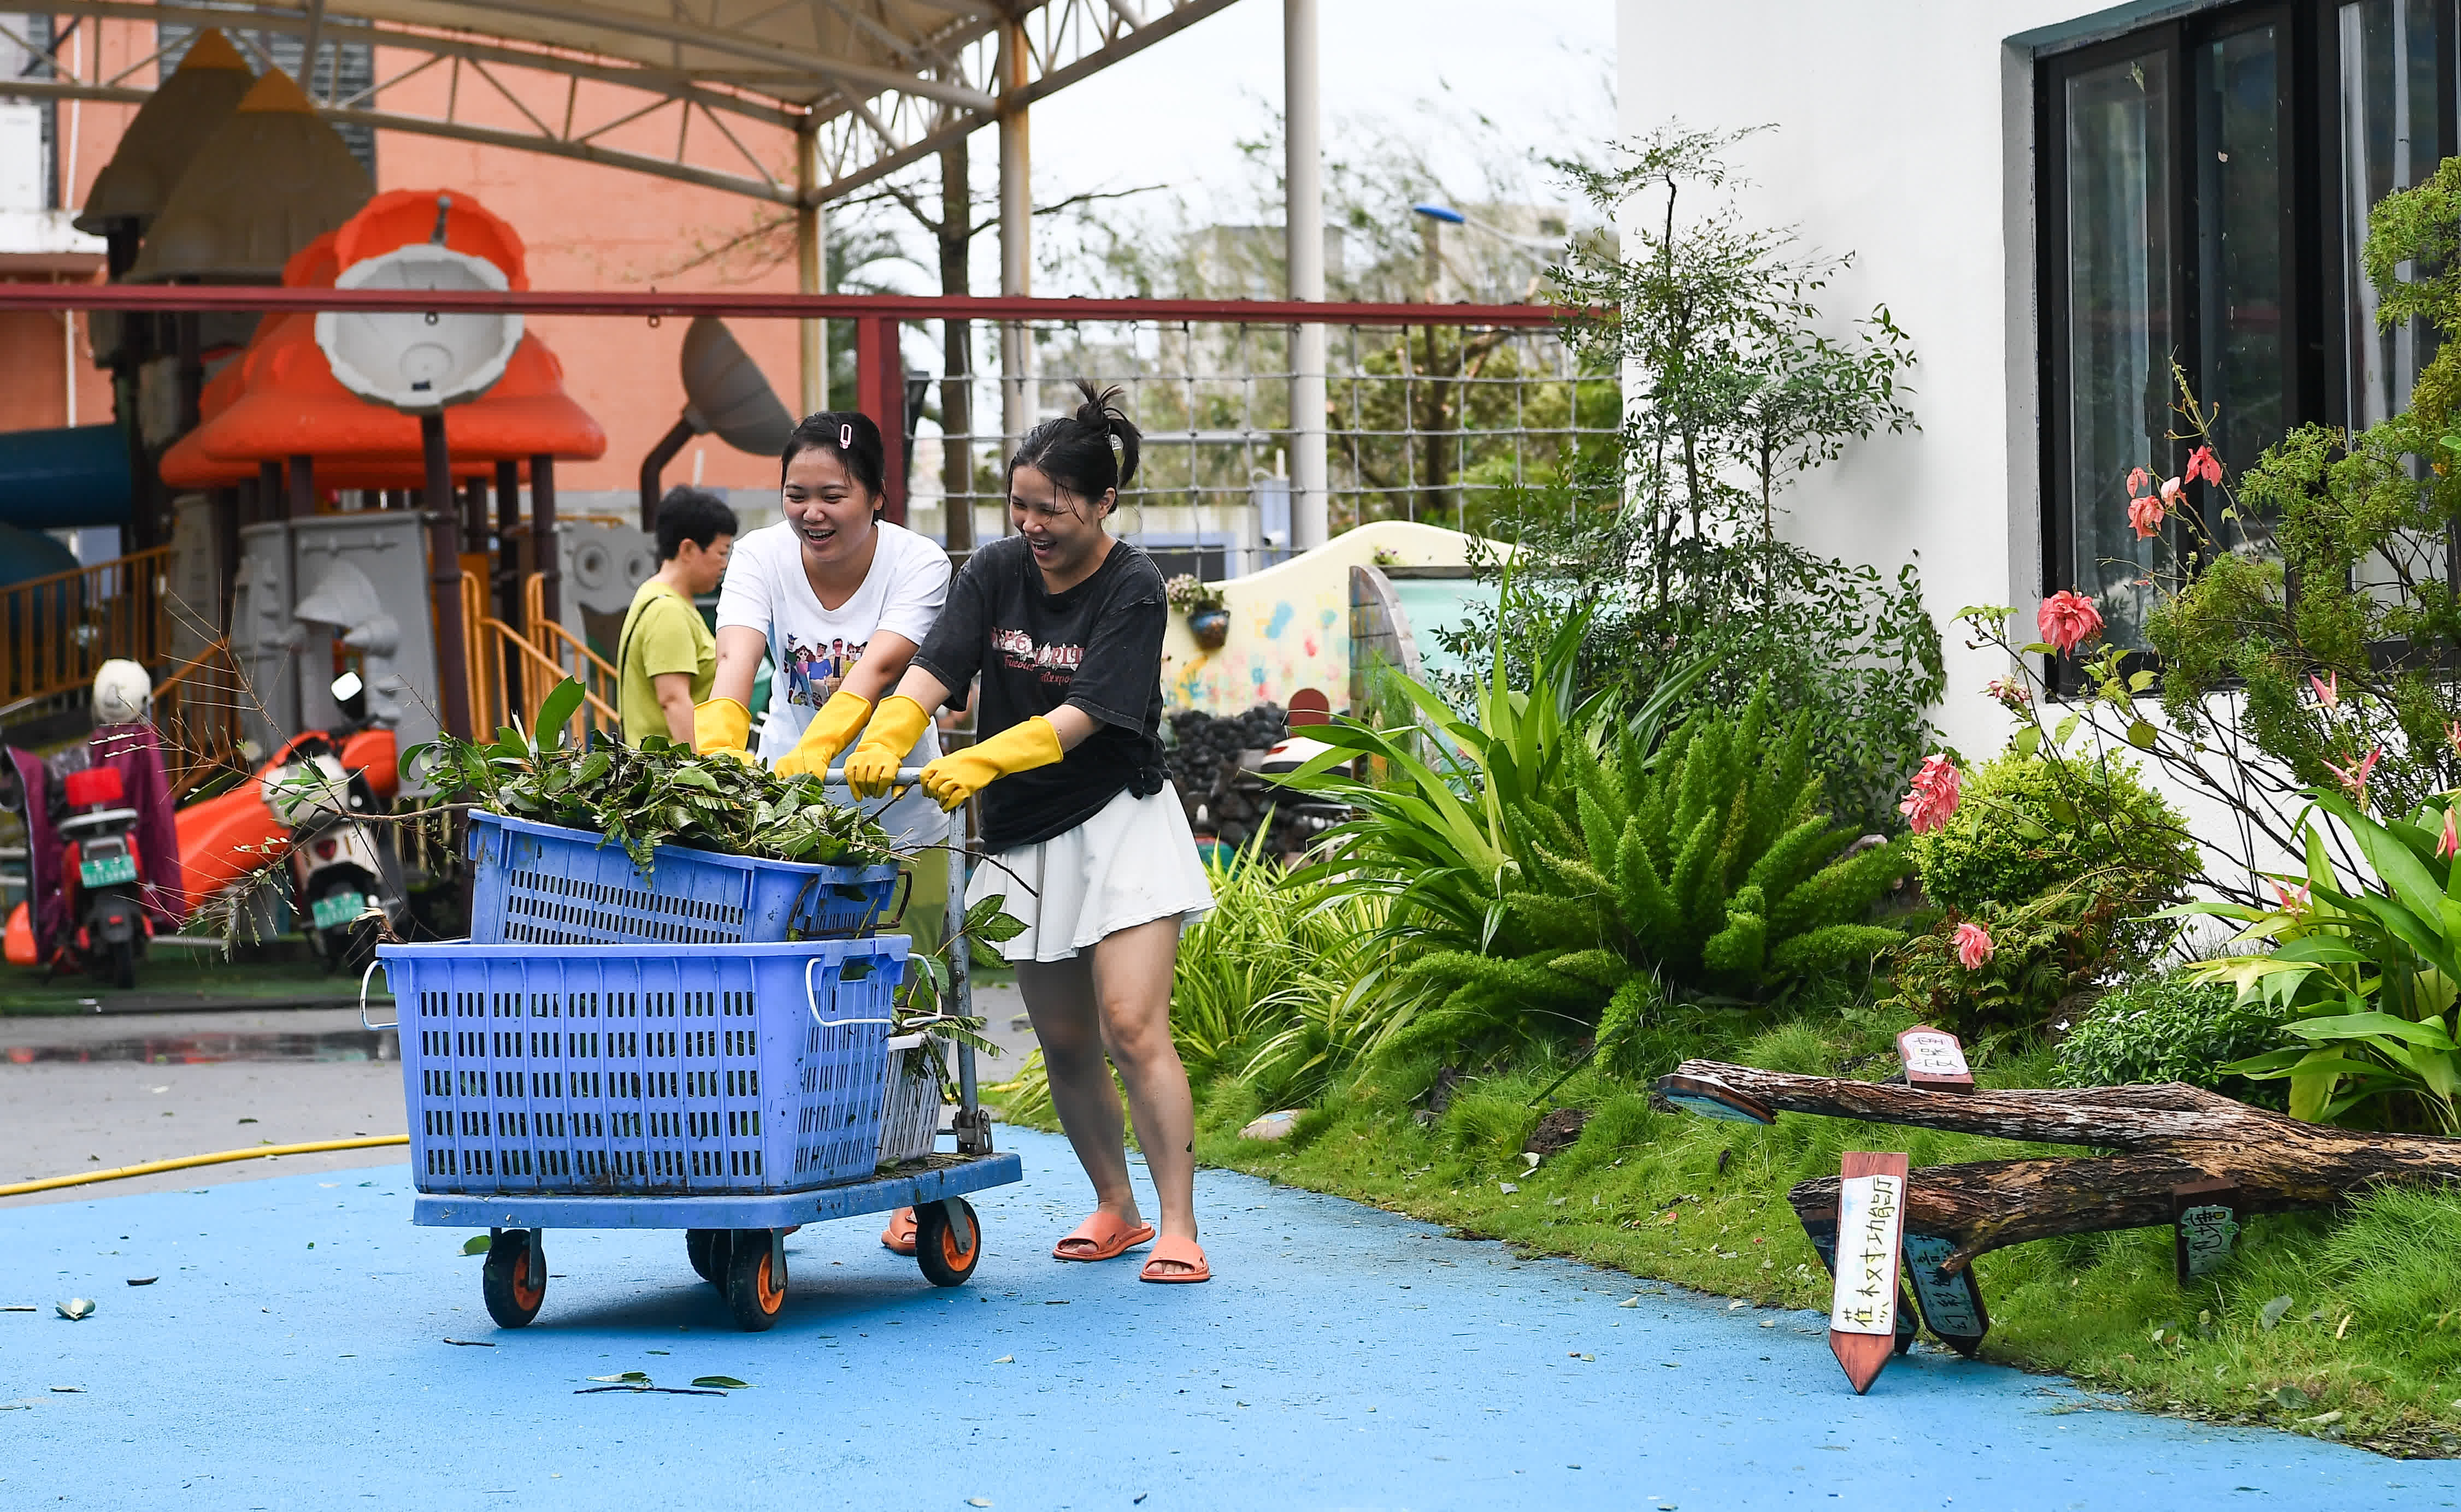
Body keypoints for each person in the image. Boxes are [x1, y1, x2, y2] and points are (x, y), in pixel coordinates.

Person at [844, 381, 1216, 1284]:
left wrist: (980, 759)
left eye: (1050, 508)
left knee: (1131, 1024)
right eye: (1020, 505)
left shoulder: (1132, 587)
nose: (1032, 524)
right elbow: (939, 665)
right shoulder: (997, 569)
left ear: (1101, 503)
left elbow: (1088, 713)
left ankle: (1177, 1220)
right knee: (1061, 1037)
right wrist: (894, 726)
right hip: (1021, 831)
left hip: (1116, 820)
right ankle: (1114, 1205)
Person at [697, 407, 952, 853]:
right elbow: (736, 656)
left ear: (877, 495)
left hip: (900, 818)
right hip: (786, 810)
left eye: (833, 497)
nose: (811, 514)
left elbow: (881, 667)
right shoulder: (759, 554)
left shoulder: (919, 562)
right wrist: (720, 750)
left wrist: (818, 746)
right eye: (796, 495)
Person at [617, 487, 736, 745]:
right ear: (688, 550)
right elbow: (674, 700)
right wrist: (703, 775)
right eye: (721, 552)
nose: (724, 564)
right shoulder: (667, 612)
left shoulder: (656, 596)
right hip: (672, 776)